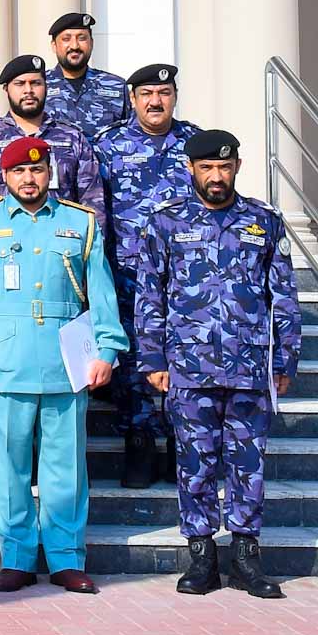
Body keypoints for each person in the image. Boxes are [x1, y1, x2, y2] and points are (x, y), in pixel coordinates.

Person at [0, 139, 124, 595]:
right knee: (8, 466)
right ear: (3, 177)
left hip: (65, 361)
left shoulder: (79, 222)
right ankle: (17, 556)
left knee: (66, 464)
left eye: (38, 170)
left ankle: (67, 556)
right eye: (18, 172)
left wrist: (107, 350)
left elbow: (102, 294)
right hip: (4, 361)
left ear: (51, 173)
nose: (29, 179)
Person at [135, 129, 300, 599]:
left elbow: (282, 294)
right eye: (207, 167)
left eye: (224, 168)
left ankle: (246, 555)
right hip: (188, 366)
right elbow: (150, 294)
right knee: (195, 462)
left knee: (247, 463)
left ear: (237, 169)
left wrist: (284, 357)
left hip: (248, 366)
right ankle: (202, 555)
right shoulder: (165, 223)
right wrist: (152, 355)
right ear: (191, 169)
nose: (216, 176)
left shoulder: (263, 222)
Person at [91, 64, 201, 488]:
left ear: (174, 96)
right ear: (132, 98)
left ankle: (179, 440)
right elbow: (94, 206)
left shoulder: (194, 142)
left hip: (184, 276)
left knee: (181, 355)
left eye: (164, 92)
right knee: (134, 360)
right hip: (128, 273)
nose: (156, 102)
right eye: (147, 94)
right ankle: (138, 440)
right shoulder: (109, 144)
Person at [0, 55, 107, 227]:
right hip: (3, 243)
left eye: (36, 83)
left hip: (61, 241)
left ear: (46, 87)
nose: (28, 90)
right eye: (20, 84)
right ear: (6, 89)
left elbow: (92, 201)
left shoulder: (72, 137)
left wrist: (90, 245)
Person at [43, 12, 129, 137]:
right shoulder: (39, 85)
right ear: (54, 46)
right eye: (66, 39)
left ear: (91, 43)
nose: (74, 46)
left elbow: (130, 132)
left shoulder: (115, 85)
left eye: (82, 38)